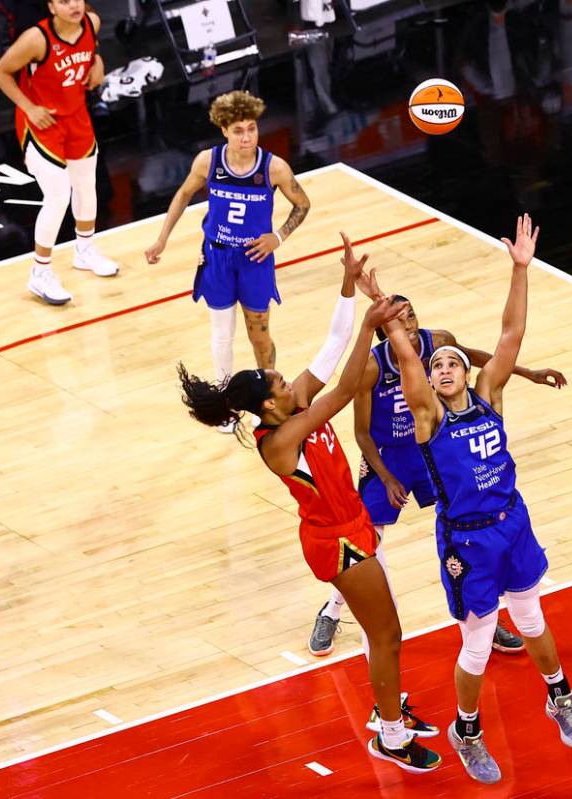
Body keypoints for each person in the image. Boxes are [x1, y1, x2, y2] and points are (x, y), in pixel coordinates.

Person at [177, 238, 441, 773]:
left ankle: (388, 715)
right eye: (278, 380)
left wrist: (348, 287)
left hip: (354, 525)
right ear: (269, 403)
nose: (287, 378)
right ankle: (389, 734)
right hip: (335, 539)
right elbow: (343, 391)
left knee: (383, 633)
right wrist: (373, 326)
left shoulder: (287, 406)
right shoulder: (278, 442)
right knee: (387, 634)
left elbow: (332, 344)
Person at [385, 213, 572, 784]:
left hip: (513, 523)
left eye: (453, 362)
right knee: (476, 646)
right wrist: (388, 315)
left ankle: (559, 695)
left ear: (466, 373)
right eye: (437, 365)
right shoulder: (427, 417)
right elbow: (406, 359)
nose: (446, 367)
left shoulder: (489, 397)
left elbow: (509, 336)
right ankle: (466, 730)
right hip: (467, 539)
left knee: (532, 618)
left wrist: (521, 270)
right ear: (428, 382)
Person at [308, 287, 567, 662]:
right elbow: (362, 433)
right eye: (400, 320)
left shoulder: (440, 344)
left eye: (412, 315)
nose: (411, 324)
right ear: (386, 331)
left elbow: (472, 357)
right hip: (389, 455)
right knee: (366, 539)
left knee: (463, 517)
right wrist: (388, 477)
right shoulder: (371, 367)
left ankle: (484, 618)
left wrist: (525, 372)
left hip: (436, 442)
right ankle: (333, 610)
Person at [146, 90, 311, 433]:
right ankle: (226, 403)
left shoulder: (274, 167)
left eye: (252, 128)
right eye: (239, 130)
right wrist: (162, 239)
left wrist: (277, 237)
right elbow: (183, 195)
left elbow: (303, 204)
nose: (247, 137)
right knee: (222, 334)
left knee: (260, 337)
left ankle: (269, 403)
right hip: (218, 257)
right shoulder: (209, 161)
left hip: (254, 259)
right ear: (224, 130)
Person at [0, 0, 118, 306]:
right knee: (58, 195)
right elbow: (1, 72)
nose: (73, 5)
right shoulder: (36, 39)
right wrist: (29, 107)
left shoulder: (92, 22)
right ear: (51, 8)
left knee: (87, 185)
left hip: (76, 115)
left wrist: (97, 64)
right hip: (41, 121)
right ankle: (40, 272)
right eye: (63, 1)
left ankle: (85, 250)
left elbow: (91, 51)